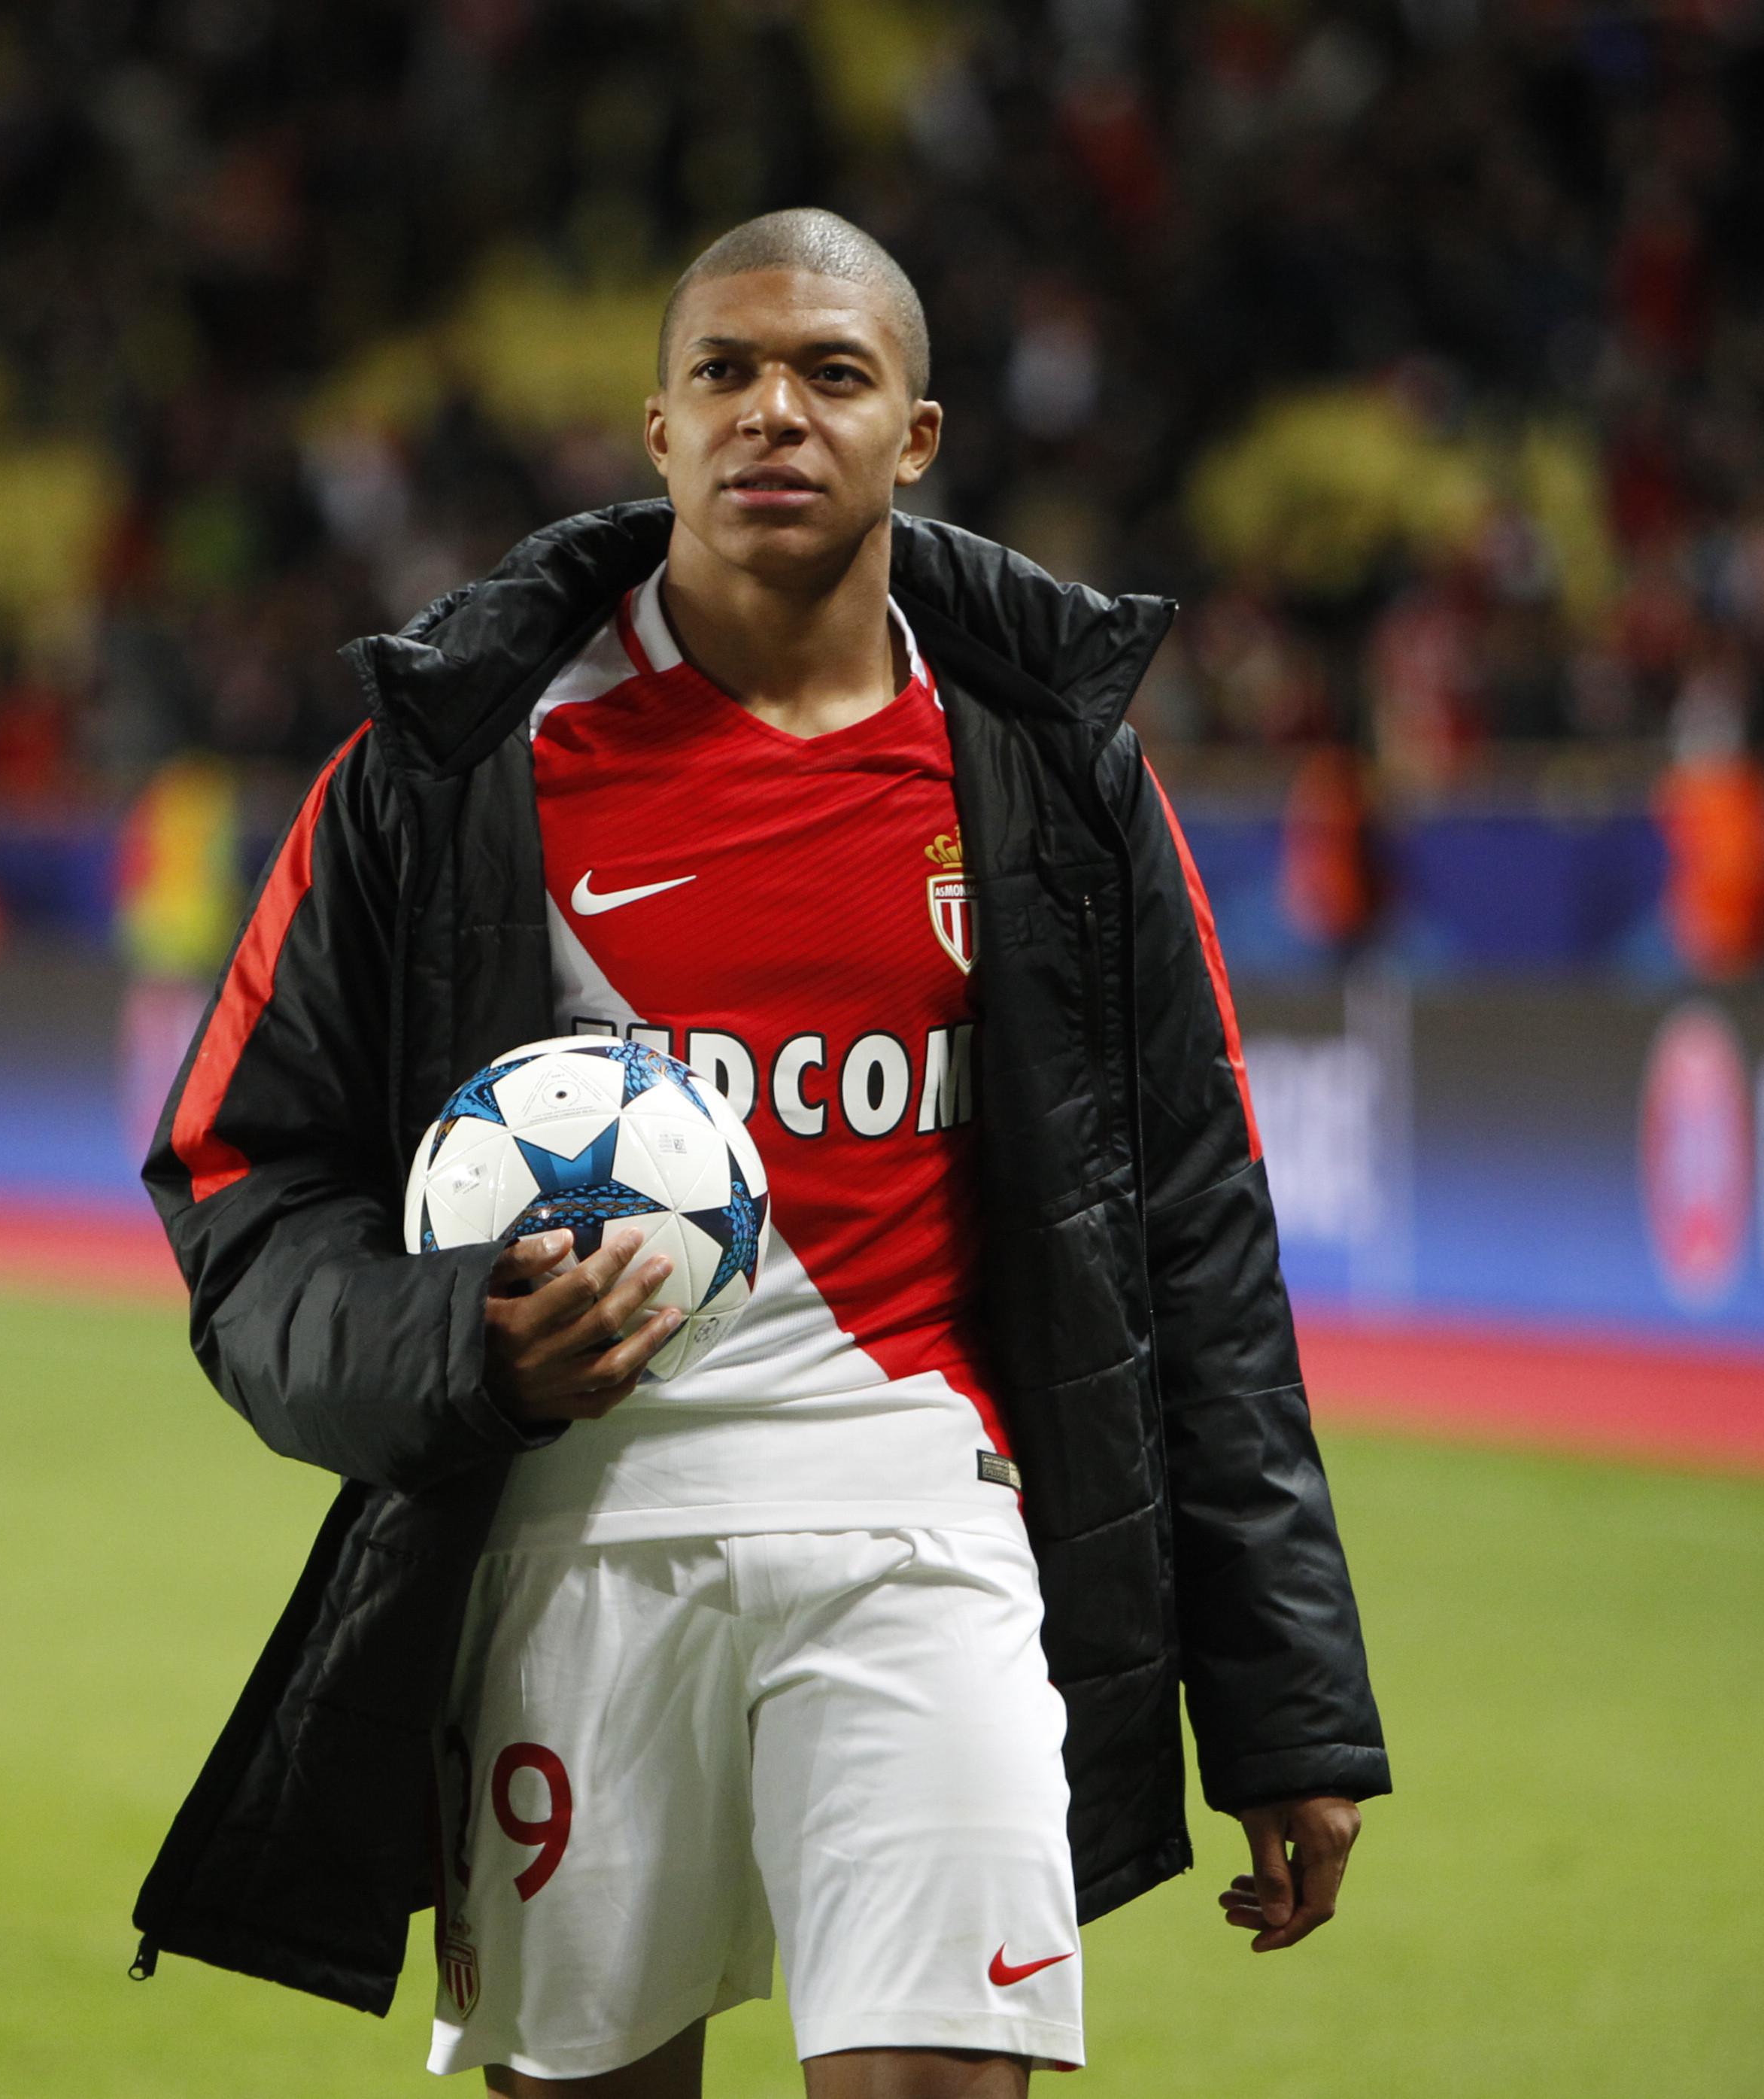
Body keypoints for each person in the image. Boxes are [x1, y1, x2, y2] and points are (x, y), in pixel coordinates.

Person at [131, 208, 1387, 2098]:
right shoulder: (449, 765)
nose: (772, 413)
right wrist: (458, 1344)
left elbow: (1196, 1233)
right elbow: (239, 1182)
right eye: (724, 372)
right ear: (656, 432)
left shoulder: (1046, 771)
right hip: (571, 1542)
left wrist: (1287, 1701)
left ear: (919, 435)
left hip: (927, 1519)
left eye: (831, 375)